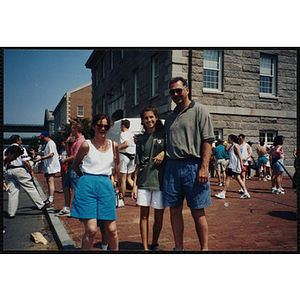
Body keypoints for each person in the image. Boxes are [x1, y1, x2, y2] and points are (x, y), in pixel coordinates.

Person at [163, 77, 215, 251]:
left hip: (194, 167)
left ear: (186, 89)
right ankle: (179, 248)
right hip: (172, 168)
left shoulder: (200, 111)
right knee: (174, 211)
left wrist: (204, 167)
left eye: (178, 90)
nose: (176, 94)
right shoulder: (170, 118)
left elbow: (207, 140)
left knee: (197, 211)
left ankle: (204, 249)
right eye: (172, 92)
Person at [71, 114, 119, 250]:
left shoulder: (114, 145)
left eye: (105, 126)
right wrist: (84, 179)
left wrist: (115, 179)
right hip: (87, 186)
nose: (102, 128)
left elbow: (117, 164)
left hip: (105, 185)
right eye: (99, 125)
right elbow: (75, 165)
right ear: (94, 126)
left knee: (112, 230)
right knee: (91, 230)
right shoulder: (87, 145)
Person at [132, 105, 166, 251]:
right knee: (144, 216)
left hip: (160, 182)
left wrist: (164, 153)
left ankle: (154, 243)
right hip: (144, 182)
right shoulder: (140, 139)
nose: (149, 120)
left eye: (151, 117)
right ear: (143, 120)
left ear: (156, 117)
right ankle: (145, 248)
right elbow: (138, 164)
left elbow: (173, 148)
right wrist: (134, 185)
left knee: (159, 218)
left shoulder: (164, 134)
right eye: (146, 118)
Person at [4, 135, 50, 218]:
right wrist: (31, 171)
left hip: (9, 171)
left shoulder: (6, 150)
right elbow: (25, 161)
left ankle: (11, 212)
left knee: (12, 192)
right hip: (20, 170)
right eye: (20, 140)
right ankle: (41, 204)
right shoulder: (21, 148)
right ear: (17, 141)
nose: (21, 141)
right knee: (30, 187)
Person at [56, 123, 85, 217]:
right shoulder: (75, 141)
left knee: (76, 188)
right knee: (66, 186)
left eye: (72, 129)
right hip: (70, 166)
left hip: (76, 166)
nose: (71, 131)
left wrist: (65, 160)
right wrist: (67, 143)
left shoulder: (81, 141)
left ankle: (79, 210)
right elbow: (69, 153)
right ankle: (67, 207)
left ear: (76, 130)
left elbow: (76, 157)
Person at [215, 135, 251, 199]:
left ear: (232, 139)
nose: (228, 140)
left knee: (228, 178)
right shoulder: (231, 146)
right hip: (233, 165)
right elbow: (226, 151)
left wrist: (241, 165)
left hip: (234, 166)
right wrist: (225, 146)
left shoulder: (236, 146)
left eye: (229, 139)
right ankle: (246, 192)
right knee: (238, 179)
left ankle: (223, 192)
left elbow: (239, 155)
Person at [33, 131, 61, 206]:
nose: (42, 139)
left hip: (51, 166)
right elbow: (46, 153)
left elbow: (51, 154)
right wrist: (36, 154)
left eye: (43, 137)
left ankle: (51, 199)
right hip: (48, 166)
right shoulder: (48, 144)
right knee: (49, 182)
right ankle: (50, 198)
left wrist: (41, 159)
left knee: (50, 181)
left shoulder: (51, 143)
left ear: (47, 136)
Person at [119, 119, 136, 201]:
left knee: (123, 179)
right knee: (129, 179)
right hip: (132, 156)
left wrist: (117, 149)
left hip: (125, 156)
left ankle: (121, 198)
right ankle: (138, 194)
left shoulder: (123, 134)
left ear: (123, 126)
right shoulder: (132, 134)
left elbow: (126, 144)